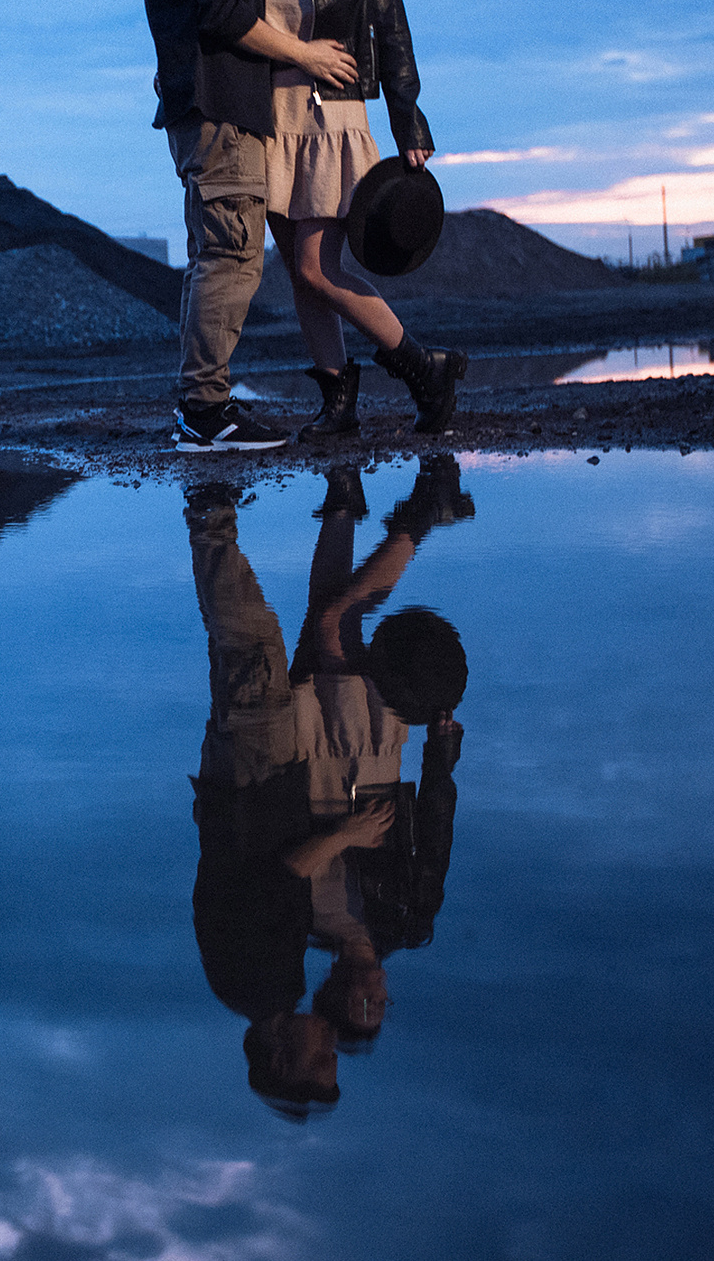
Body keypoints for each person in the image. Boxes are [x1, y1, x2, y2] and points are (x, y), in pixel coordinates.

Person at [186, 459, 472, 1117]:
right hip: (301, 776)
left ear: (281, 1054)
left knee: (266, 644)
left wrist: (342, 830)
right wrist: (440, 758)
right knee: (321, 623)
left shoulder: (260, 981)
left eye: (320, 1056)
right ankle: (347, 496)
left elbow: (271, 876)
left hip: (265, 784)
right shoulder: (294, 966)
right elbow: (434, 830)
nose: (330, 1045)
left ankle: (213, 508)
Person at [143, 0, 361, 452]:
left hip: (207, 105)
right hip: (217, 105)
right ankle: (206, 412)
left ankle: (201, 406)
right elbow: (227, 14)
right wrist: (306, 53)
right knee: (232, 256)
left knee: (217, 254)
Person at [248, 0, 469, 439]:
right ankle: (338, 403)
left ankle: (424, 366)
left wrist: (409, 120)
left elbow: (394, 35)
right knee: (299, 271)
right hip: (273, 122)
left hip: (333, 118)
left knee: (319, 267)